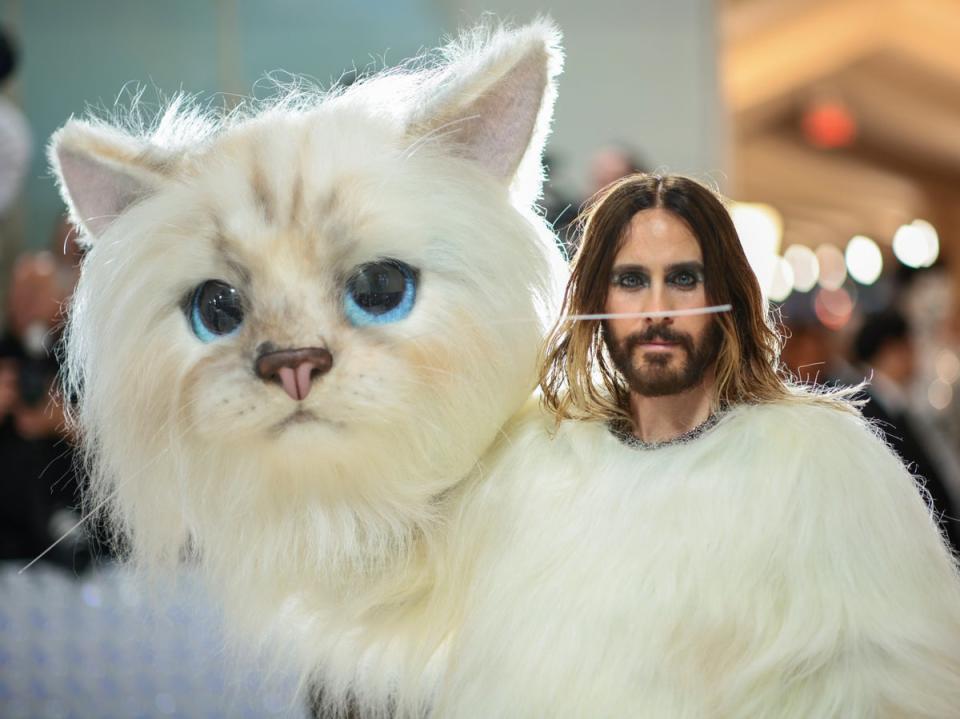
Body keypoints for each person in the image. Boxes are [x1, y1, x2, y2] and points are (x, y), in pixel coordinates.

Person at [438, 173, 960, 717]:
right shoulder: (537, 466)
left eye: (684, 279)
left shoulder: (821, 466)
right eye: (632, 280)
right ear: (598, 298)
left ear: (725, 298)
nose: (657, 308)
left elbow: (904, 686)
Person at [854, 308, 960, 553]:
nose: (917, 355)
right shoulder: (871, 412)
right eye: (911, 345)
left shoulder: (891, 404)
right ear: (892, 350)